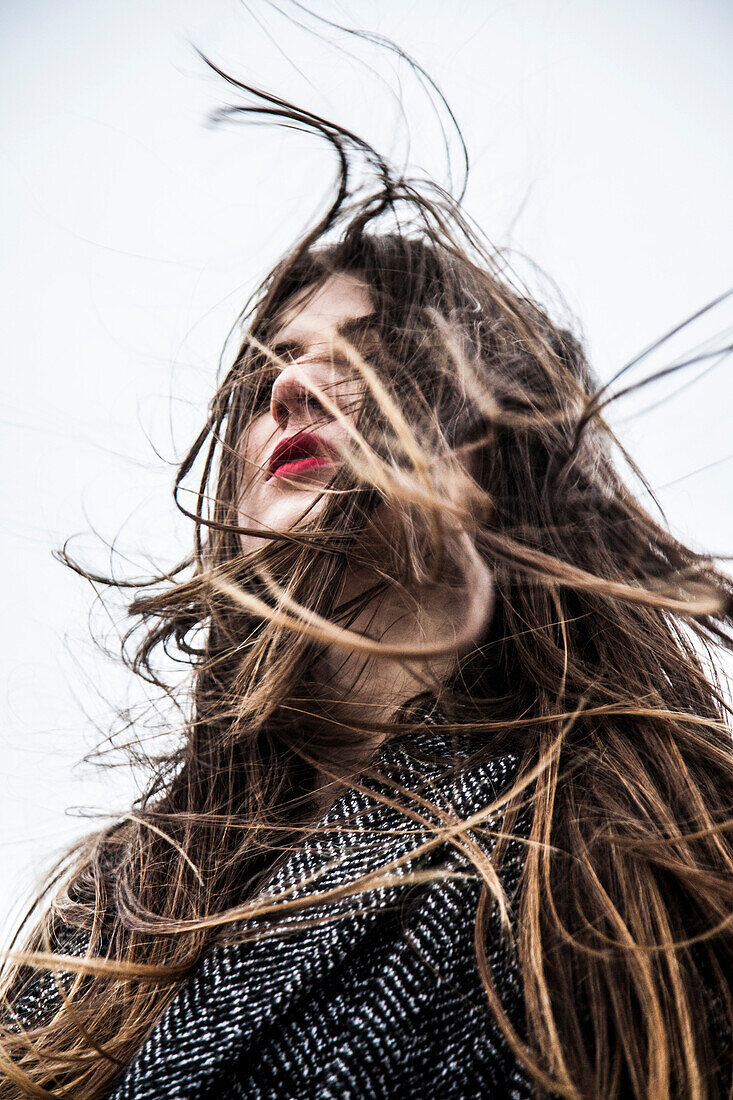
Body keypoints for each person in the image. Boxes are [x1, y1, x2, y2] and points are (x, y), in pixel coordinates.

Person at [1, 69, 733, 1100]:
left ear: (495, 449)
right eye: (268, 374)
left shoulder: (633, 833)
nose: (292, 383)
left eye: (372, 355)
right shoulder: (117, 898)